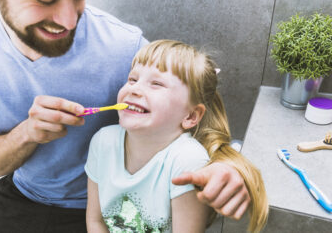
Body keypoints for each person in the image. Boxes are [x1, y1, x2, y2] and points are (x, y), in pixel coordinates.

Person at [0, 0, 263, 232]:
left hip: (103, 206)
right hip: (24, 197)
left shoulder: (124, 47)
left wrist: (232, 170)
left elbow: (192, 122)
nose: (68, 20)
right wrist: (27, 133)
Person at [85, 40, 268, 233]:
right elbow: (96, 221)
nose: (135, 89)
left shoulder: (187, 161)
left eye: (156, 83)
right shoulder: (102, 142)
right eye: (133, 79)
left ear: (190, 116)